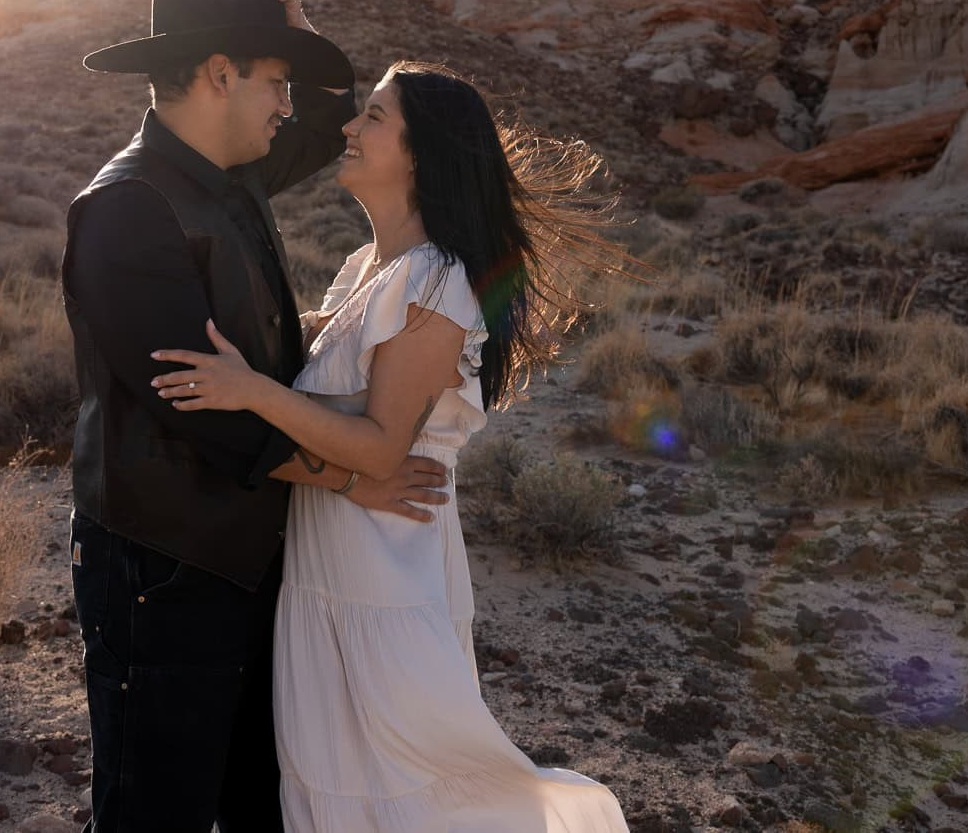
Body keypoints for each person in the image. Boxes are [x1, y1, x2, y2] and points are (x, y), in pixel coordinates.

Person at [153, 62, 633, 831]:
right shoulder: (366, 271)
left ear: (418, 154)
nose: (348, 128)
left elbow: (380, 449)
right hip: (332, 566)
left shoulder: (437, 279)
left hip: (382, 573)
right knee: (337, 779)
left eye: (371, 116)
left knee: (403, 785)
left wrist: (253, 391)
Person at [63, 0, 455, 833]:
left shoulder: (229, 175)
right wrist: (354, 476)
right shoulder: (129, 207)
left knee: (260, 805)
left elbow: (328, 129)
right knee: (153, 813)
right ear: (217, 75)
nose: (289, 105)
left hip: (246, 558)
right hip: (162, 571)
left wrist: (299, 37)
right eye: (274, 81)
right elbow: (207, 413)